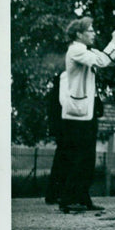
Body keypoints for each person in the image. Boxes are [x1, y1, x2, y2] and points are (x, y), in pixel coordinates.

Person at [59, 17, 115, 214]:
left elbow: (110, 60)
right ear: (79, 34)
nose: (94, 33)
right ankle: (67, 199)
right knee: (79, 158)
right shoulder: (76, 50)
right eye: (90, 30)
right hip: (76, 114)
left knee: (87, 158)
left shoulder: (86, 51)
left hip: (85, 112)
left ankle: (81, 198)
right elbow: (103, 61)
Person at [44, 70, 68, 205]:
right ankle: (55, 193)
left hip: (59, 128)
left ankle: (54, 193)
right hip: (63, 128)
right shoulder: (63, 83)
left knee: (61, 159)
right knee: (62, 160)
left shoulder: (56, 89)